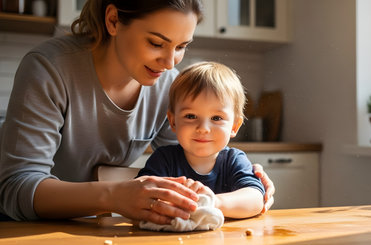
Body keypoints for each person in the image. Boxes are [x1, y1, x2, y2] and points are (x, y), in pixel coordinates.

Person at [0, 0, 274, 223]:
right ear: (113, 21)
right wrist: (113, 196)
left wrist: (244, 180)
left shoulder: (168, 85)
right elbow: (15, 189)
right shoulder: (50, 69)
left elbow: (188, 163)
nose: (169, 63)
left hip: (99, 228)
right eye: (156, 43)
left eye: (181, 47)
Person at [137, 62, 264, 219]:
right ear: (173, 121)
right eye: (191, 116)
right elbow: (142, 194)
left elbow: (256, 199)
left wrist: (214, 202)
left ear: (234, 126)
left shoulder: (234, 160)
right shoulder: (164, 159)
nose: (203, 128)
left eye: (216, 118)